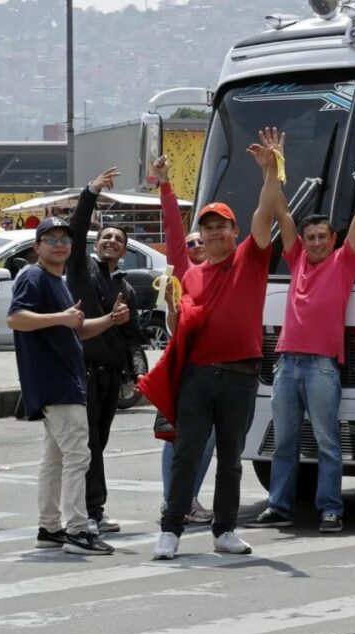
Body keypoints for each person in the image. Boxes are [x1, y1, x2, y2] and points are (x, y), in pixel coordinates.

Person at [246, 132, 355, 534]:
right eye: (309, 237)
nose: (314, 243)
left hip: (321, 368)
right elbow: (279, 212)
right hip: (286, 363)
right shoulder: (296, 260)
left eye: (321, 238)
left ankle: (331, 509)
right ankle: (279, 505)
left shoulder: (343, 263)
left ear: (333, 241)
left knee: (329, 443)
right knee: (283, 442)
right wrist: (275, 164)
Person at [151, 130, 276, 561]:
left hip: (241, 375)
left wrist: (271, 171)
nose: (213, 232)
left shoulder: (250, 259)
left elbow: (266, 212)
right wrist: (165, 185)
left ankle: (224, 530)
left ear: (233, 231)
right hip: (198, 377)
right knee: (186, 455)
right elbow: (172, 233)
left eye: (220, 225)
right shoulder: (191, 271)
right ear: (200, 235)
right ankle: (171, 530)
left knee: (231, 459)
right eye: (206, 227)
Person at [6, 217, 130, 556]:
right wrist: (59, 318)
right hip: (56, 381)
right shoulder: (33, 276)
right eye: (51, 239)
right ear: (37, 247)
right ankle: (77, 530)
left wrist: (109, 320)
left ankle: (50, 527)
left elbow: (76, 329)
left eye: (64, 239)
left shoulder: (57, 281)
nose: (59, 244)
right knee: (79, 456)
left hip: (64, 380)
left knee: (56, 459)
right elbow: (16, 317)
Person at [65, 167, 149, 535]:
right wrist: (90, 192)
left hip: (111, 377)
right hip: (83, 372)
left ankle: (93, 508)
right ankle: (90, 512)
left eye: (118, 238)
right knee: (89, 445)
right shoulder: (82, 270)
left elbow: (133, 337)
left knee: (99, 443)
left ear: (126, 250)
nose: (111, 241)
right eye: (106, 236)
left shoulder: (126, 288)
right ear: (96, 243)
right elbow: (77, 229)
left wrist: (138, 374)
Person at [153, 155, 216, 525]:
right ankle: (172, 500)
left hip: (215, 367)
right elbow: (173, 229)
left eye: (201, 241)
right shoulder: (183, 274)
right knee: (175, 437)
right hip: (183, 365)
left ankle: (188, 497)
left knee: (207, 440)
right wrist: (165, 185)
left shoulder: (226, 274)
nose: (195, 245)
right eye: (191, 243)